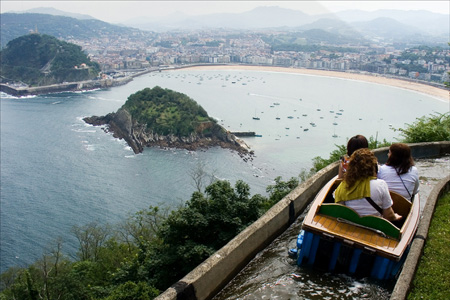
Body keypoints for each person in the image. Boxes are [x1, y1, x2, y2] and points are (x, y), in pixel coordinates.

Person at [334, 148, 402, 222]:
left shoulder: (344, 186)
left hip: (351, 227)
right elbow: (388, 215)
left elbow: (340, 211)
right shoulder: (380, 185)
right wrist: (396, 217)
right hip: (374, 228)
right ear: (372, 166)